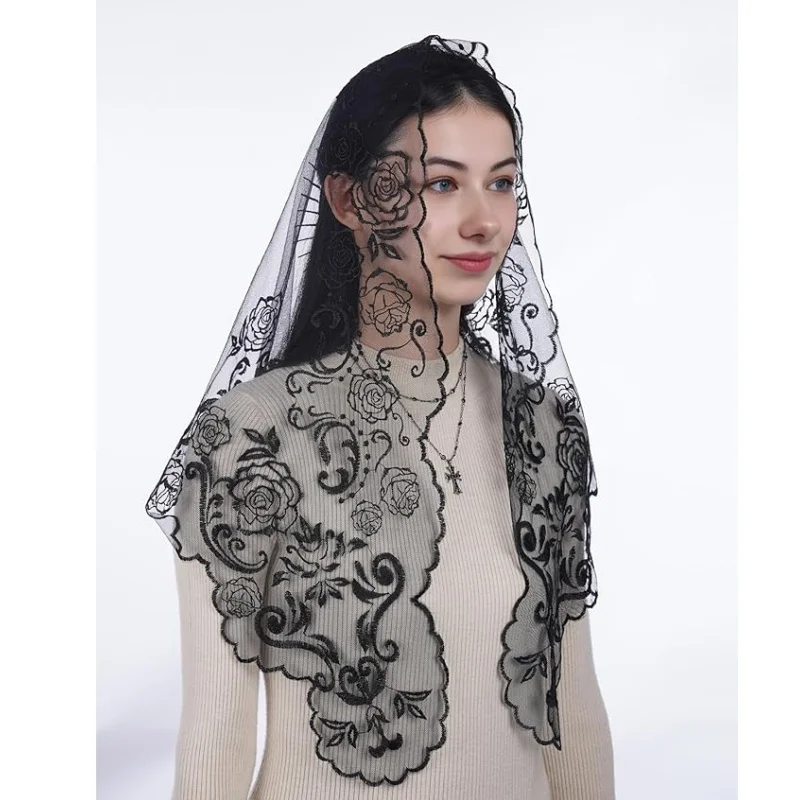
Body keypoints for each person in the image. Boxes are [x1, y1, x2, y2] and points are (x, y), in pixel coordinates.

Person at [146, 35, 615, 799]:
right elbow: (216, 733)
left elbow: (573, 710)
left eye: (501, 183)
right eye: (441, 183)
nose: (483, 221)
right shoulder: (250, 438)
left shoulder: (542, 428)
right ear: (347, 199)